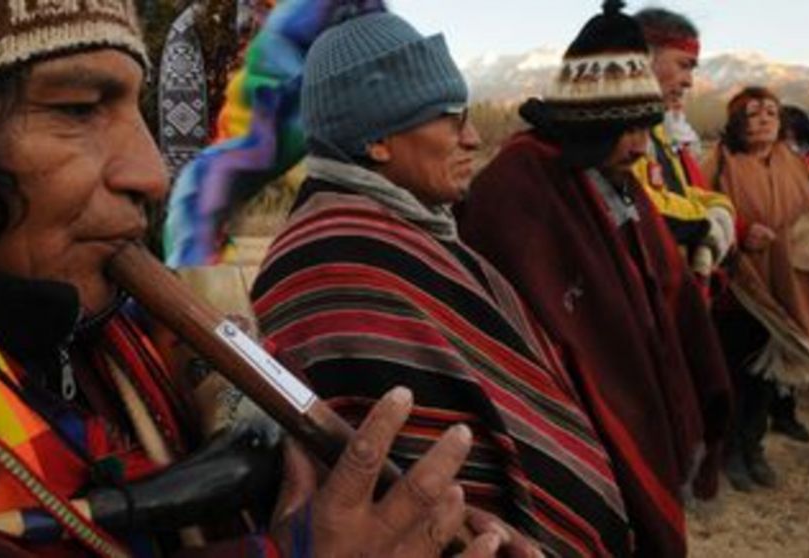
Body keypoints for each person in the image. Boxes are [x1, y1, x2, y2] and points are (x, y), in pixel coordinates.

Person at [0, 2, 516, 557]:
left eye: (134, 107)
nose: (152, 173)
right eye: (76, 109)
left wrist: (411, 515)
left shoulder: (117, 331)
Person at [251, 11, 632, 557]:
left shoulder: (410, 234)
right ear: (378, 139)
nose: (474, 138)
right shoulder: (340, 264)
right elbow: (408, 478)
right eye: (452, 119)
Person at [455, 1, 732, 556]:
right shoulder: (517, 186)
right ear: (591, 122)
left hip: (637, 403)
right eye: (625, 128)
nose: (638, 145)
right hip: (565, 434)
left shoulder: (616, 175)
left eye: (645, 127)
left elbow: (662, 285)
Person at [703, 87, 809, 491]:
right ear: (737, 123)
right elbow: (703, 213)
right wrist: (738, 233)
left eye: (771, 111)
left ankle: (754, 448)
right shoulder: (718, 162)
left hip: (786, 290)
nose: (765, 118)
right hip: (739, 288)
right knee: (735, 371)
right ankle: (728, 453)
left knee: (768, 378)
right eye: (753, 113)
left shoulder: (798, 165)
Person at [631, 7, 737, 290]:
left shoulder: (656, 131)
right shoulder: (617, 131)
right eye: (684, 64)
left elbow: (677, 191)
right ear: (644, 57)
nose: (690, 81)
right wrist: (707, 222)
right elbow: (643, 204)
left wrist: (721, 208)